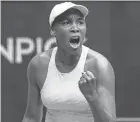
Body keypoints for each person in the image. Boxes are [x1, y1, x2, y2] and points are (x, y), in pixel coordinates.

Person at [22, 2, 116, 122]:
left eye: (80, 22)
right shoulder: (38, 64)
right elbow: (31, 117)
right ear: (53, 30)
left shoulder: (100, 65)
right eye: (66, 23)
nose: (75, 28)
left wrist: (92, 97)